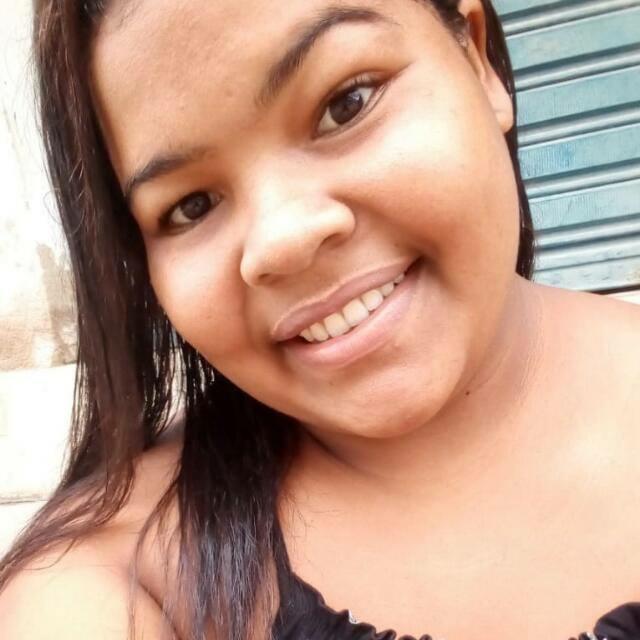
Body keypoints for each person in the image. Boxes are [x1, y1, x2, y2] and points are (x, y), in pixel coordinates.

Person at [1, 0, 639, 638]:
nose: (283, 240)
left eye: (346, 104)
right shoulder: (109, 588)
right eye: (192, 206)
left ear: (477, 61)